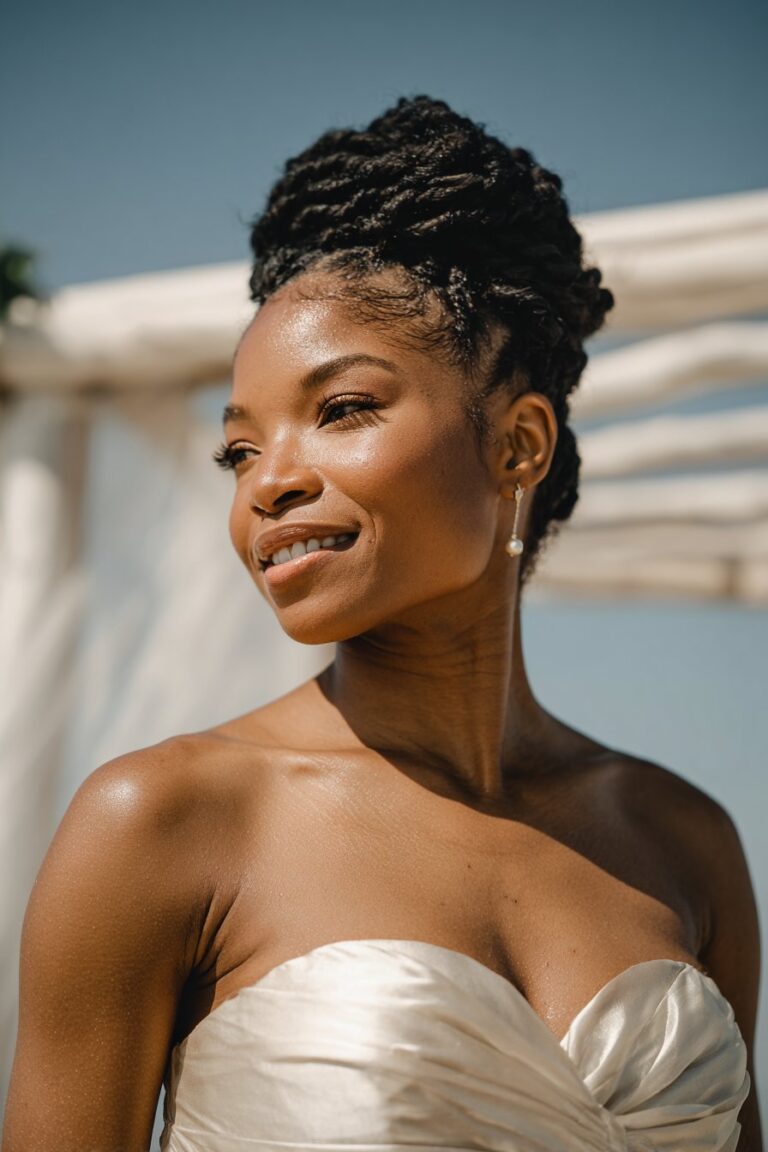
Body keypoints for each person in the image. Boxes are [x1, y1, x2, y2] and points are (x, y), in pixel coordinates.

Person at [2, 95, 761, 1152]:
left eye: (343, 409)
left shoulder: (683, 843)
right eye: (238, 451)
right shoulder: (162, 823)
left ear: (520, 444)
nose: (269, 484)